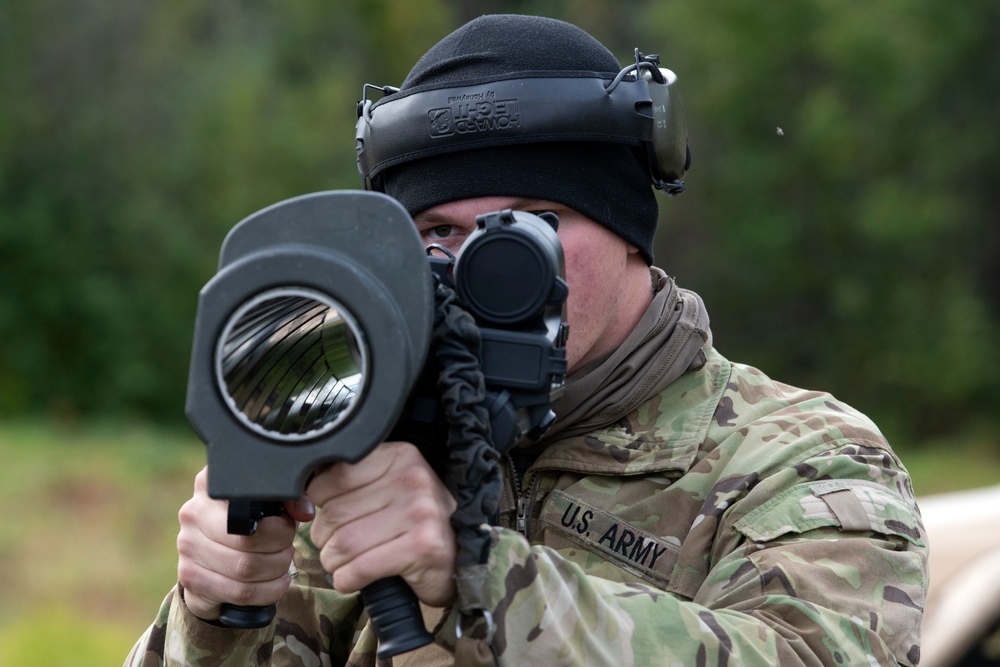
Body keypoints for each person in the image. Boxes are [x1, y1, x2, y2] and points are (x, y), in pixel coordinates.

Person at [126, 14, 928, 667]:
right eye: (439, 231)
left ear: (629, 234)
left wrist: (474, 574)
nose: (480, 271)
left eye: (527, 228)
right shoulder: (358, 437)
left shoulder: (800, 458)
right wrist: (215, 612)